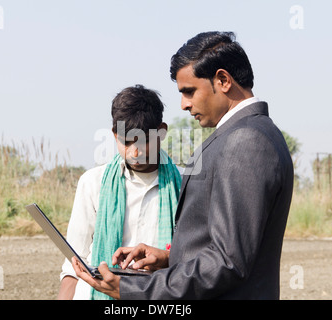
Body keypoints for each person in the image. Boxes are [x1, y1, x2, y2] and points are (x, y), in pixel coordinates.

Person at [72, 31, 294, 299]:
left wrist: (133, 288)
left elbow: (228, 262)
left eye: (189, 91)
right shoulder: (251, 133)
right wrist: (170, 258)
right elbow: (227, 249)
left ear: (223, 80)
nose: (184, 104)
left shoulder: (245, 141)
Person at [57, 84, 183, 300]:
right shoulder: (92, 182)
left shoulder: (186, 184)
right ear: (115, 135)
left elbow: (199, 260)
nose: (135, 152)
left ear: (161, 132)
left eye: (144, 141)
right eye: (126, 142)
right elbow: (74, 262)